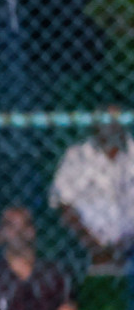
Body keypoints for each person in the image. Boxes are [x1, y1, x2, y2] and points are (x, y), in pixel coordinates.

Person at [51, 105, 134, 268]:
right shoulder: (77, 157)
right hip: (85, 249)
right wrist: (95, 248)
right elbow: (63, 205)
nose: (110, 124)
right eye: (105, 118)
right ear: (93, 122)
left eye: (116, 118)